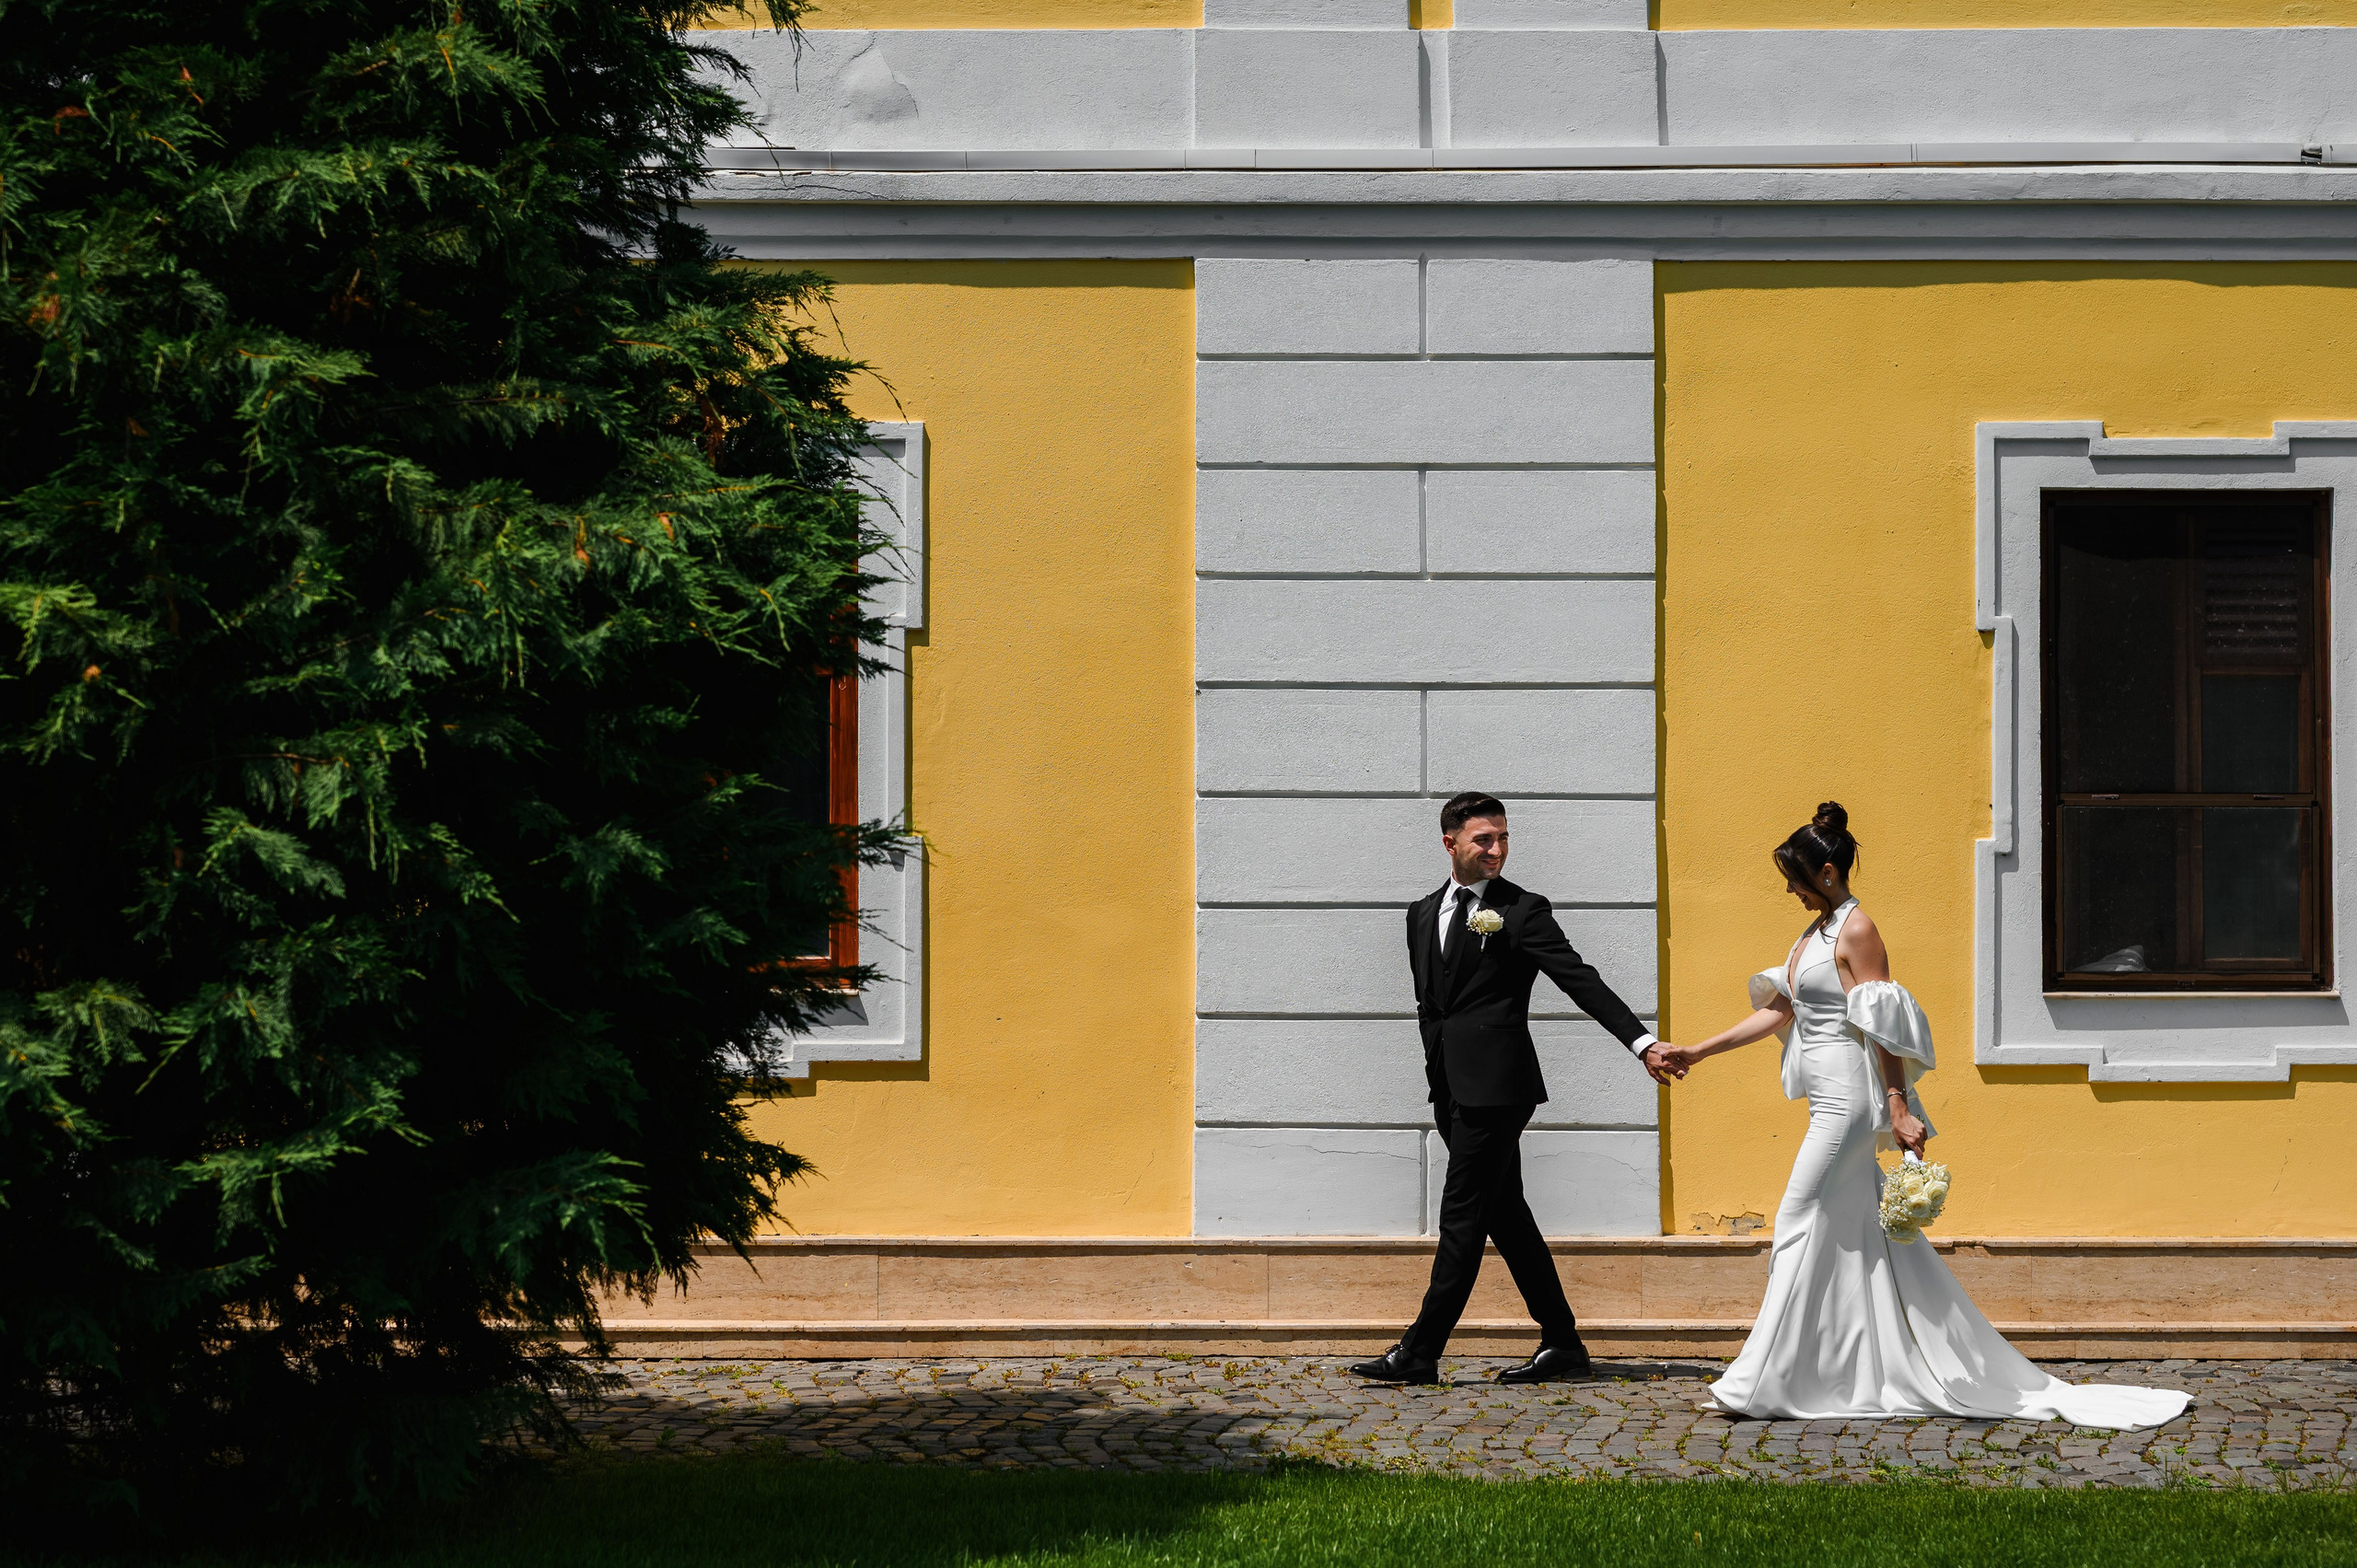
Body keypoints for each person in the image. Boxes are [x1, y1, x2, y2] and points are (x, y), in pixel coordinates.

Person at [1662, 803, 2190, 1426]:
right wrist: (1697, 1049)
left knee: (1796, 1219)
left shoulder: (1857, 930)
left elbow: (1881, 1025)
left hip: (1850, 1107)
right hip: (1826, 1102)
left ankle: (1764, 1378)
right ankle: (1842, 1369)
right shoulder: (1815, 932)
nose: (1790, 891)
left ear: (1828, 873)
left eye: (1796, 880)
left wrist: (1897, 1105)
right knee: (1856, 1237)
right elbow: (1782, 1012)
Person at [1348, 792, 1680, 1388]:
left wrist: (1641, 1043)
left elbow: (1581, 979)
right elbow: (1433, 1006)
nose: (1497, 849)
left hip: (1500, 1090)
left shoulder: (1522, 910)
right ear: (1450, 842)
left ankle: (1420, 1351)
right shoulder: (1421, 913)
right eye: (1484, 839)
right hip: (1450, 1088)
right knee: (1508, 1215)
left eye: (1503, 837)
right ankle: (1563, 1342)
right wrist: (1439, 1076)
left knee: (1463, 1215)